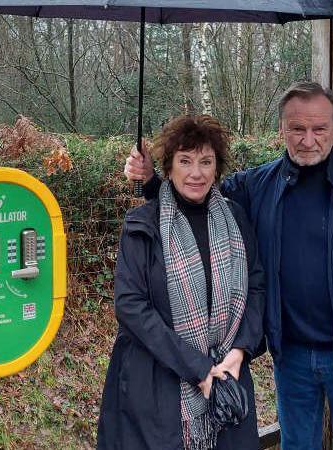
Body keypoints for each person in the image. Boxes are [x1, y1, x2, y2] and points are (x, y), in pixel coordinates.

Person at [124, 82, 333, 449]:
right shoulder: (257, 185)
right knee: (297, 445)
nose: (308, 139)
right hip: (292, 356)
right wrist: (152, 178)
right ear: (281, 129)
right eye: (297, 128)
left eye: (319, 129)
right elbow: (195, 195)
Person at [98, 115, 266, 450]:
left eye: (206, 162)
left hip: (227, 381)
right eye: (185, 161)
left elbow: (257, 286)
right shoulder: (143, 225)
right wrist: (200, 370)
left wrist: (239, 352)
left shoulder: (235, 219)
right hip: (158, 390)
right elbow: (130, 306)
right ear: (169, 167)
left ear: (217, 168)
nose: (196, 173)